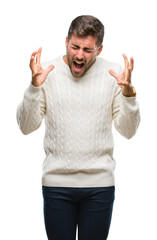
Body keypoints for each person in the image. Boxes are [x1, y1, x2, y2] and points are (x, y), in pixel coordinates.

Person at [16, 15, 140, 240]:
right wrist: (34, 87)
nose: (79, 55)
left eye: (87, 49)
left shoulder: (114, 75)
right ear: (66, 41)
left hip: (99, 186)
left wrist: (128, 95)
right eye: (75, 47)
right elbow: (26, 126)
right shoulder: (46, 72)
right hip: (56, 185)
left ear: (99, 50)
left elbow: (128, 131)